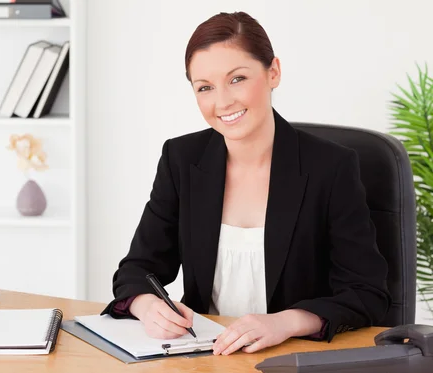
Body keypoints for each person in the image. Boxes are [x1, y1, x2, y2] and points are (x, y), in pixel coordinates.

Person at [100, 11, 391, 355]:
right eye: (205, 87)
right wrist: (148, 307)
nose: (222, 102)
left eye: (237, 79)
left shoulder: (332, 167)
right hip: (204, 360)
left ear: (273, 73)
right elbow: (137, 269)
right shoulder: (182, 159)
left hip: (296, 359)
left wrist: (286, 321)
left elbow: (367, 294)